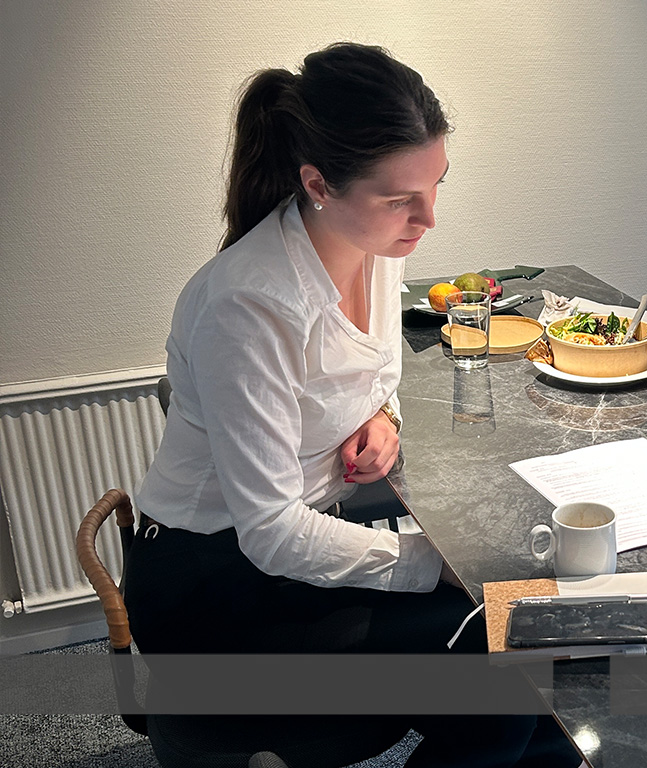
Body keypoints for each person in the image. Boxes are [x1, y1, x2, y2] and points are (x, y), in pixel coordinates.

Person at [123, 43, 579, 767]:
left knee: (539, 656)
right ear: (318, 184)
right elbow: (270, 533)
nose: (427, 218)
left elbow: (371, 375)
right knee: (500, 653)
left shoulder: (375, 247)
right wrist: (435, 561)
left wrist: (382, 417)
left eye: (435, 186)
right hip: (213, 594)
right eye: (399, 198)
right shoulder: (249, 305)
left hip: (299, 549)